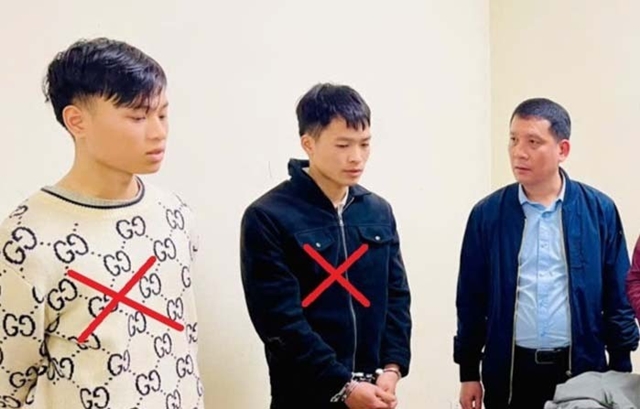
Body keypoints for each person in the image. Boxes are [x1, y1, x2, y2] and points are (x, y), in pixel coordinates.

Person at [0, 37, 204, 408]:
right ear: (76, 121)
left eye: (162, 114)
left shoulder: (175, 216)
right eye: (138, 117)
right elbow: (8, 380)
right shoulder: (27, 237)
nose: (158, 132)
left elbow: (183, 344)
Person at [454, 97, 639, 409]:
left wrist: (621, 366)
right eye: (513, 139)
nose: (519, 152)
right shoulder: (487, 214)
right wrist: (468, 371)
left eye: (533, 142)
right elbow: (470, 298)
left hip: (581, 370)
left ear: (562, 150)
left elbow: (617, 294)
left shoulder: (598, 211)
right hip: (510, 371)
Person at [240, 83, 412, 409]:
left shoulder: (378, 212)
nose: (356, 157)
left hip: (375, 392)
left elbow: (396, 297)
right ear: (308, 143)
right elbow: (280, 323)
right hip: (305, 396)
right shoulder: (267, 216)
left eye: (364, 144)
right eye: (343, 145)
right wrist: (343, 386)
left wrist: (393, 366)